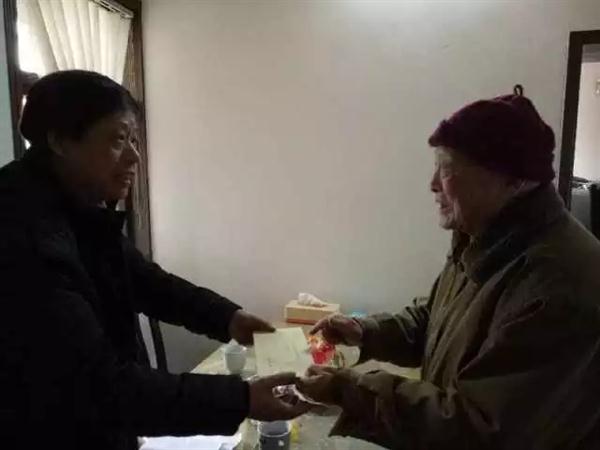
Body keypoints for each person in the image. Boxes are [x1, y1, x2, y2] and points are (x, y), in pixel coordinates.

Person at [0, 70, 309, 450]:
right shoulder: (24, 238)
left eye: (134, 140)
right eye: (118, 140)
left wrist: (229, 318)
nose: (134, 156)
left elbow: (146, 281)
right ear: (60, 140)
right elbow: (100, 386)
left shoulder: (75, 205)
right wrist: (241, 399)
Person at [297, 86, 600, 449]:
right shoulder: (485, 239)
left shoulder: (557, 284)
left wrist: (348, 391)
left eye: (447, 169)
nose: (432, 185)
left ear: (513, 179)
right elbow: (435, 322)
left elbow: (478, 427)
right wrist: (366, 332)